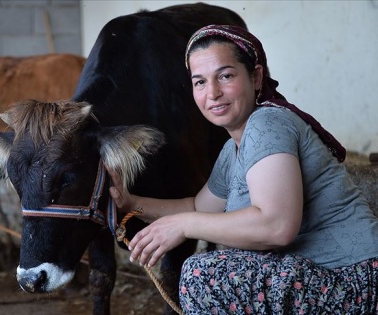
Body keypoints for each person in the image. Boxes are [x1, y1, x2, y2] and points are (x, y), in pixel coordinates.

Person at [107, 24, 378, 314]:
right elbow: (197, 206)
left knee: (204, 274)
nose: (212, 93)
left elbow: (277, 226)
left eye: (225, 76)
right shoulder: (232, 149)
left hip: (353, 280)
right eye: (199, 82)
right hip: (313, 278)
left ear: (257, 77)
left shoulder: (268, 124)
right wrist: (131, 203)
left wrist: (184, 226)